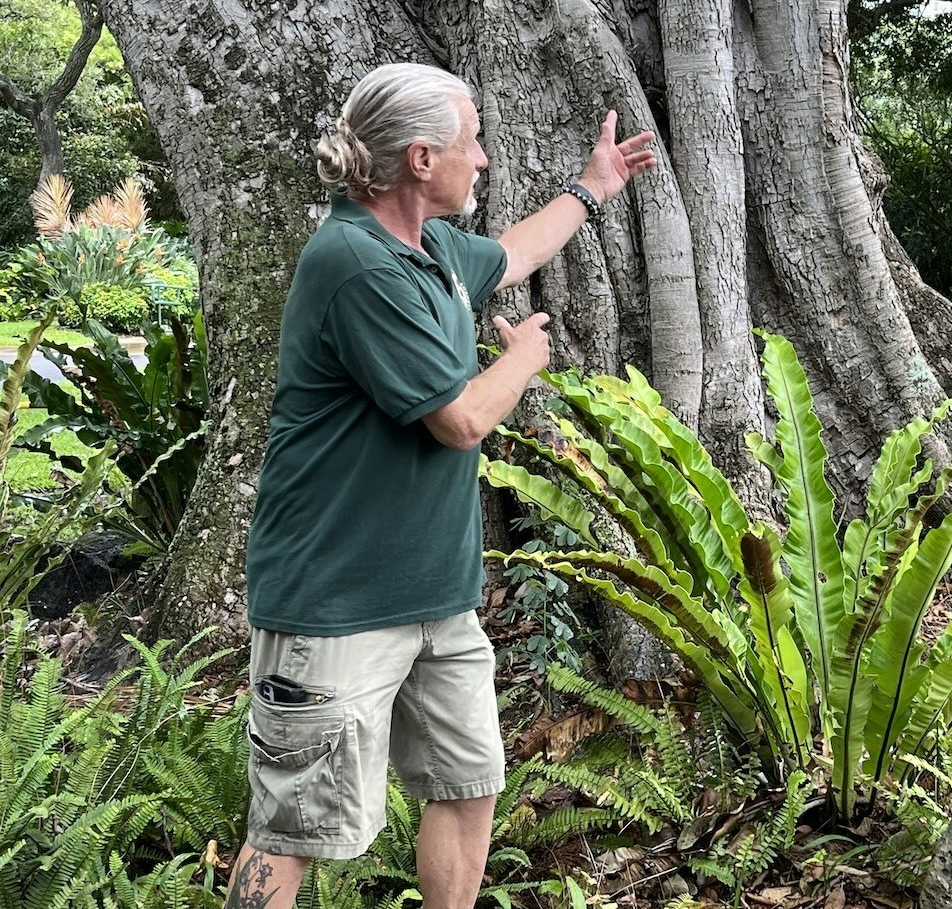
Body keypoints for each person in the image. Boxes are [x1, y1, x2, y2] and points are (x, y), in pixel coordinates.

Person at [225, 63, 655, 909]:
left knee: (467, 784)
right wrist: (525, 362)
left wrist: (592, 188)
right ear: (422, 158)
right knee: (292, 828)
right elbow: (458, 421)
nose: (484, 158)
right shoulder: (359, 265)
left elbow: (519, 249)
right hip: (336, 601)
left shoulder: (431, 248)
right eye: (471, 143)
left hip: (438, 597)